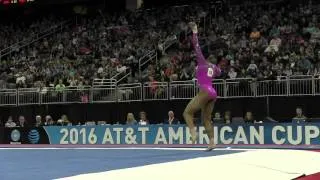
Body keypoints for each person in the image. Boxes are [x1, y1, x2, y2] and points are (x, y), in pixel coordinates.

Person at [183, 22, 224, 151]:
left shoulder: (201, 61)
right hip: (213, 92)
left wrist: (195, 31)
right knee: (206, 119)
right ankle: (212, 142)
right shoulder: (214, 68)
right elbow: (220, 72)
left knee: (187, 113)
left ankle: (193, 133)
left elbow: (196, 45)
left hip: (205, 91)